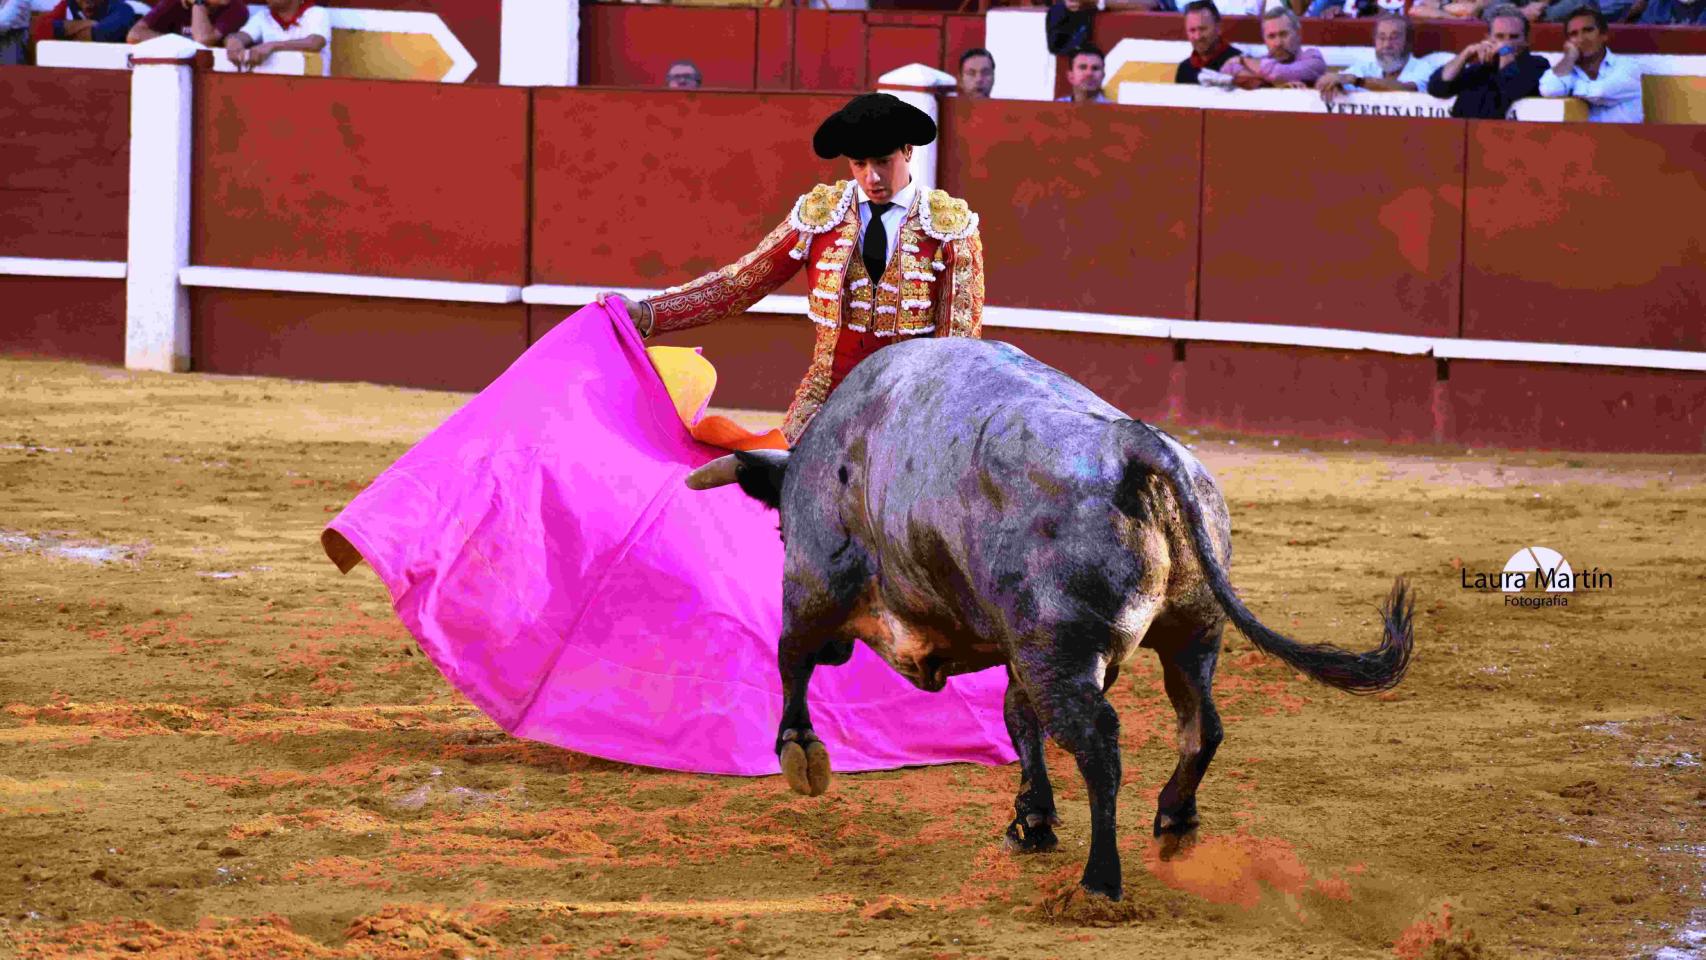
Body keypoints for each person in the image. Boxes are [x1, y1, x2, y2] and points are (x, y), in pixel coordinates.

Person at [601, 93, 986, 445]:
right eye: (859, 164)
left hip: (911, 403)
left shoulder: (949, 227)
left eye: (882, 162)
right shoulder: (820, 215)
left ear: (906, 151)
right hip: (826, 396)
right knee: (776, 490)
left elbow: (958, 346)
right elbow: (739, 284)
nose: (871, 177)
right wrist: (648, 312)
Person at [1426, 5, 1547, 119]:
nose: (1506, 43)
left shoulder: (1537, 65)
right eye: (1500, 36)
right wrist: (1465, 55)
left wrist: (1504, 52)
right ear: (1488, 38)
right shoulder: (1478, 69)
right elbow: (1437, 88)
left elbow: (1512, 89)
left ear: (1526, 40)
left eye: (1514, 37)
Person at [1537, 8, 1643, 123]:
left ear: (1604, 35)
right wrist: (1568, 58)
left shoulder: (1629, 66)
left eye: (1588, 30)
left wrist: (1570, 89)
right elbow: (1549, 89)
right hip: (1583, 138)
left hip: (1627, 138)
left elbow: (1601, 92)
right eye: (1574, 34)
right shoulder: (1568, 68)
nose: (1581, 39)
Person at [1315, 14, 1443, 101]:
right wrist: (1334, 84)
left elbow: (1404, 89)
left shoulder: (1423, 68)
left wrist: (1356, 81)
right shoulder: (1366, 67)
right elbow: (1325, 81)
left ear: (1408, 42)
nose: (1387, 44)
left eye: (1394, 37)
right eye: (1381, 38)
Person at [1225, 8, 1326, 89]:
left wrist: (1243, 61)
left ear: (1298, 34)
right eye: (1271, 36)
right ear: (1264, 39)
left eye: (1284, 34)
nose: (1278, 43)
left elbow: (1280, 73)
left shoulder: (1314, 59)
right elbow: (1228, 69)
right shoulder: (1261, 61)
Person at [224, 0, 330, 76]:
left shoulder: (317, 12)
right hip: (273, 88)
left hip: (313, 88)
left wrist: (273, 45)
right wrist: (234, 41)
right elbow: (243, 35)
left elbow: (315, 43)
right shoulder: (263, 16)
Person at [128, 0, 250, 47]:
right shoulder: (174, 3)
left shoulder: (237, 8)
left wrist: (198, 2)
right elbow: (134, 35)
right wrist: (176, 42)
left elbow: (203, 40)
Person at [1175, 0, 1239, 85]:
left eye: (1203, 29)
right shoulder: (1184, 69)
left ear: (1218, 28)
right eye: (1192, 30)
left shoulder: (1239, 64)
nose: (1198, 36)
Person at [30, 0, 137, 44]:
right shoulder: (71, 4)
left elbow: (102, 35)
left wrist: (63, 33)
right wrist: (85, 23)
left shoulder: (122, 9)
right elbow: (38, 29)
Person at [1, 0, 30, 64]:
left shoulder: (17, 2)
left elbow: (4, 22)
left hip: (12, 38)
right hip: (6, 35)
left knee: (10, 69)